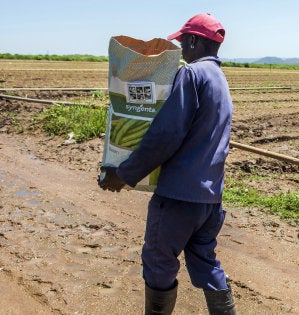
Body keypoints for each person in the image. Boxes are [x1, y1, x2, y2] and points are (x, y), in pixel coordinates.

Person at [98, 13, 235, 315]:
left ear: (194, 40)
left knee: (159, 261)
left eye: (183, 41)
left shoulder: (192, 75)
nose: (181, 48)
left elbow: (167, 134)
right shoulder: (220, 80)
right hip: (210, 199)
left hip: (178, 197)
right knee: (205, 261)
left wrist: (124, 174)